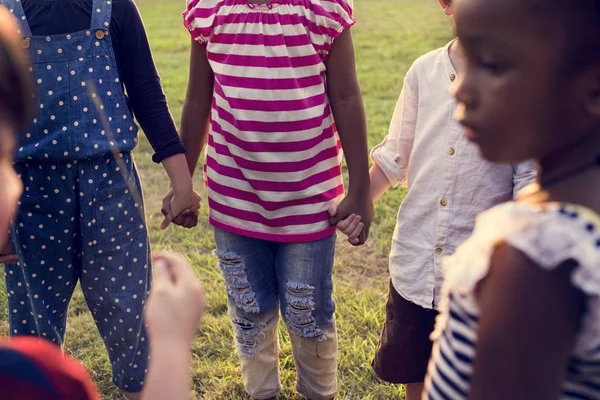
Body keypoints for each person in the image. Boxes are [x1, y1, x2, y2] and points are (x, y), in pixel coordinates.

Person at [333, 1, 536, 399]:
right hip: (417, 267)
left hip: (482, 278)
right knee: (418, 376)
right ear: (445, 4)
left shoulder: (522, 82)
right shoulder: (424, 72)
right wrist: (360, 199)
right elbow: (395, 157)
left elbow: (528, 183)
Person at [0, 0, 201, 397]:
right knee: (34, 324)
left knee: (131, 315)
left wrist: (182, 180)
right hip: (31, 196)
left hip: (109, 188)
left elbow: (145, 90)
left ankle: (142, 389)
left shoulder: (116, 7)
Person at [175, 0, 373, 398]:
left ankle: (318, 392)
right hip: (235, 198)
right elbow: (198, 99)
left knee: (309, 312)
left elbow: (347, 96)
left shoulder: (323, 10)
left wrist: (360, 190)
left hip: (310, 201)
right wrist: (182, 181)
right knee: (249, 308)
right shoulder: (207, 10)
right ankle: (261, 391)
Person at [421, 0, 600, 398]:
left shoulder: (538, 254)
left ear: (594, 89)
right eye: (465, 58)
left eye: (494, 65)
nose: (460, 88)